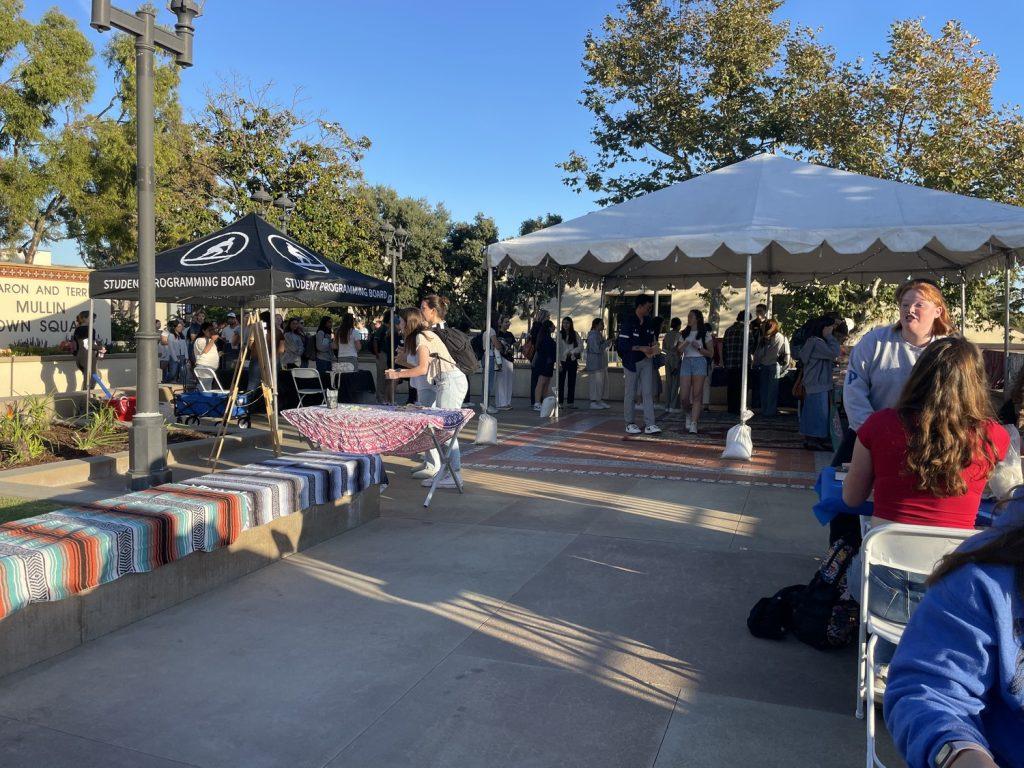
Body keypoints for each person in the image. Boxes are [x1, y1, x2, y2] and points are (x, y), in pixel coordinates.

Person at [842, 338, 1008, 636]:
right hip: (953, 593)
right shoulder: (994, 436)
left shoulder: (879, 425)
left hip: (881, 589)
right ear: (976, 382)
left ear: (919, 373)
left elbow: (851, 498)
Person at [884, 495, 1024, 768]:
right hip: (943, 603)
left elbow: (850, 498)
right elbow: (933, 692)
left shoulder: (979, 571)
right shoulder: (983, 457)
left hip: (891, 597)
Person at [385, 307, 469, 490]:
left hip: (450, 382)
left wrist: (397, 375)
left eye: (400, 321)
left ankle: (454, 473)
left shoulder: (421, 337)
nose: (399, 325)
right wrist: (403, 367)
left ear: (409, 322)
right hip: (446, 382)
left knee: (446, 430)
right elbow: (427, 368)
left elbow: (422, 369)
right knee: (443, 429)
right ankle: (446, 472)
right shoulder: (423, 335)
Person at [616, 295, 661, 435]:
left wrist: (654, 346)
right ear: (640, 306)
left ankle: (650, 424)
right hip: (631, 362)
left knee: (648, 392)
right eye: (648, 307)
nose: (650, 309)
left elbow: (652, 338)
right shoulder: (628, 321)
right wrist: (641, 348)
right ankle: (629, 423)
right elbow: (623, 345)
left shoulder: (649, 321)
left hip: (646, 360)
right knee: (631, 392)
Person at [798, 315, 841, 450]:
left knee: (813, 411)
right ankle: (814, 440)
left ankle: (811, 439)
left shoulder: (812, 341)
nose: (833, 330)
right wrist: (829, 337)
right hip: (818, 382)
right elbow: (835, 353)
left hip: (814, 382)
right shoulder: (818, 342)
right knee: (819, 412)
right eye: (831, 327)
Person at [676, 309, 714, 434]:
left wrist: (699, 348)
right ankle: (688, 414)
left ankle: (694, 423)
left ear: (697, 318)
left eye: (691, 316)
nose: (688, 318)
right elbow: (678, 351)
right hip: (686, 362)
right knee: (684, 397)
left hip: (699, 362)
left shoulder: (705, 333)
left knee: (697, 395)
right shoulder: (684, 333)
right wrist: (685, 343)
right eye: (688, 316)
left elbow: (711, 353)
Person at [753, 318, 789, 417]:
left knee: (764, 389)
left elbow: (758, 354)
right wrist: (785, 367)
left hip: (764, 365)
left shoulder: (763, 339)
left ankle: (765, 410)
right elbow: (786, 353)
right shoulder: (782, 337)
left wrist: (755, 364)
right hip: (775, 365)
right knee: (772, 390)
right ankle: (770, 411)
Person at [722, 312, 750, 416]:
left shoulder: (728, 330)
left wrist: (725, 362)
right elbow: (751, 345)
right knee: (742, 388)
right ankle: (740, 408)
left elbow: (724, 348)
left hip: (730, 363)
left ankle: (731, 408)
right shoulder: (746, 330)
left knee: (731, 387)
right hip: (742, 364)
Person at [72, 310, 102, 390]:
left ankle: (84, 397)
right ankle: (86, 399)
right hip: (88, 357)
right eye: (92, 318)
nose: (94, 320)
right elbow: (89, 345)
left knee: (87, 379)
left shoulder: (77, 329)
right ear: (85, 318)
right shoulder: (90, 329)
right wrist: (101, 347)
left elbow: (78, 344)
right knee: (92, 379)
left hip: (79, 357)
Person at [557, 317, 582, 409]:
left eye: (567, 323)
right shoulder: (559, 334)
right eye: (563, 323)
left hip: (572, 360)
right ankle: (560, 403)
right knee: (561, 383)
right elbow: (558, 349)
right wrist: (558, 363)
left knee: (572, 382)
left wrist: (572, 351)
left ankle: (570, 403)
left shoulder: (575, 334)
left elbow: (581, 346)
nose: (565, 325)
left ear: (571, 324)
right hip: (562, 361)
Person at [586, 318, 610, 410]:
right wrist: (606, 343)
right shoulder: (592, 335)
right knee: (595, 383)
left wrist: (606, 343)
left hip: (600, 363)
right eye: (601, 324)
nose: (603, 326)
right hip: (595, 364)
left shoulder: (598, 334)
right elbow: (596, 349)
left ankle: (599, 400)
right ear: (596, 325)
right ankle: (593, 401)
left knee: (600, 383)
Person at [528, 309, 550, 408]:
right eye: (547, 317)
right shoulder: (539, 327)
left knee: (536, 379)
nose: (548, 319)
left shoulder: (536, 326)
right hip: (538, 356)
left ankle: (536, 400)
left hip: (536, 356)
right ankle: (536, 401)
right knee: (538, 380)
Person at [532, 320, 556, 410]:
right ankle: (537, 403)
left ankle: (544, 402)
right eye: (553, 326)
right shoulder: (546, 339)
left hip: (548, 363)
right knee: (541, 383)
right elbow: (547, 352)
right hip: (544, 363)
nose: (554, 327)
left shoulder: (545, 338)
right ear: (549, 328)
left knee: (546, 383)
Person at [494, 316, 516, 411]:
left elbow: (516, 346)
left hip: (509, 359)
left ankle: (507, 402)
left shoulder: (510, 334)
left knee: (508, 382)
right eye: (506, 322)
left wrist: (522, 338)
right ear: (501, 323)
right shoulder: (497, 333)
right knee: (501, 381)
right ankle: (501, 403)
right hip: (500, 359)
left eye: (509, 322)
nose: (508, 324)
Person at [662, 317, 683, 413]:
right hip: (675, 359)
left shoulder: (666, 335)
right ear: (678, 325)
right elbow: (679, 350)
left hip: (667, 358)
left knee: (668, 383)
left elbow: (663, 348)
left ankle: (666, 405)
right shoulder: (679, 335)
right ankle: (673, 406)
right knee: (675, 383)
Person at [370, 312, 392, 404]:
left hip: (387, 355)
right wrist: (377, 354)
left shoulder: (390, 329)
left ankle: (386, 397)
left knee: (387, 378)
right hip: (382, 354)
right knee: (381, 378)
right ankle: (380, 398)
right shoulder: (383, 328)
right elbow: (375, 340)